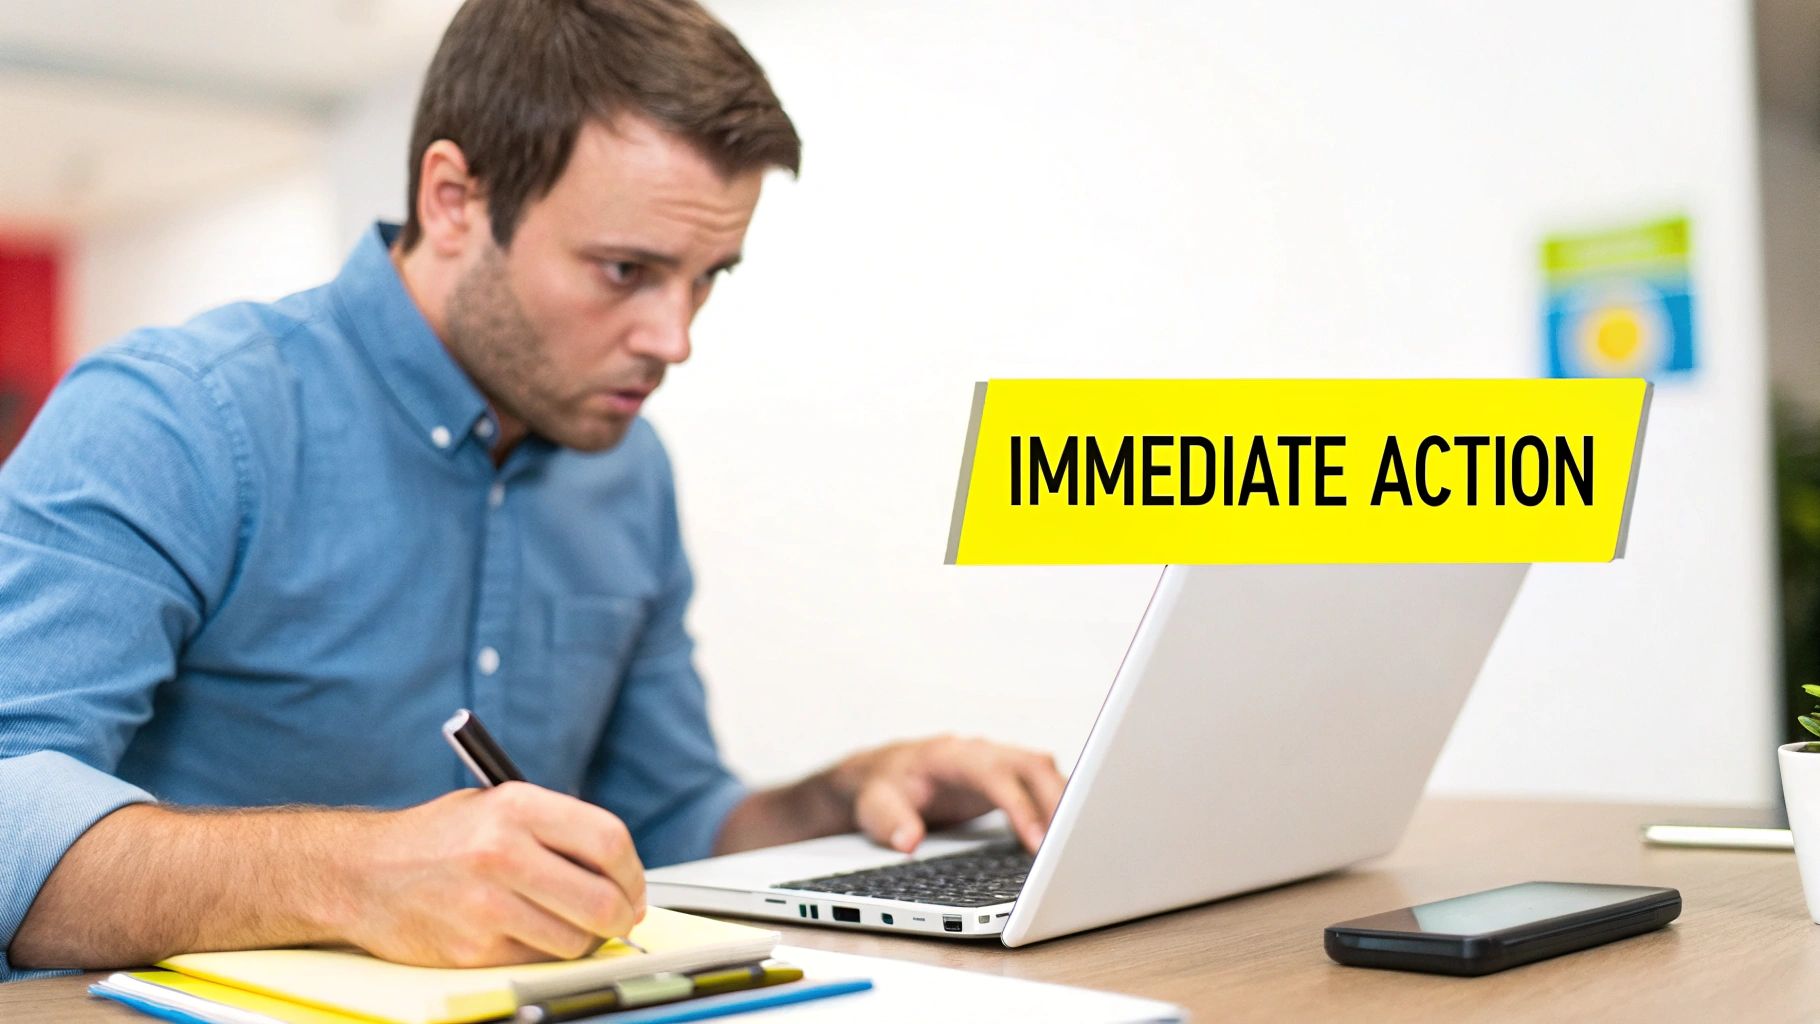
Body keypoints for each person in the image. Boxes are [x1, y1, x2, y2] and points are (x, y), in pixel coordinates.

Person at [0, 0, 1065, 980]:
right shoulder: (173, 417)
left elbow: (670, 817)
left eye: (707, 278)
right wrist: (351, 871)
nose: (675, 338)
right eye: (624, 270)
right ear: (453, 199)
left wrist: (841, 797)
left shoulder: (625, 468)